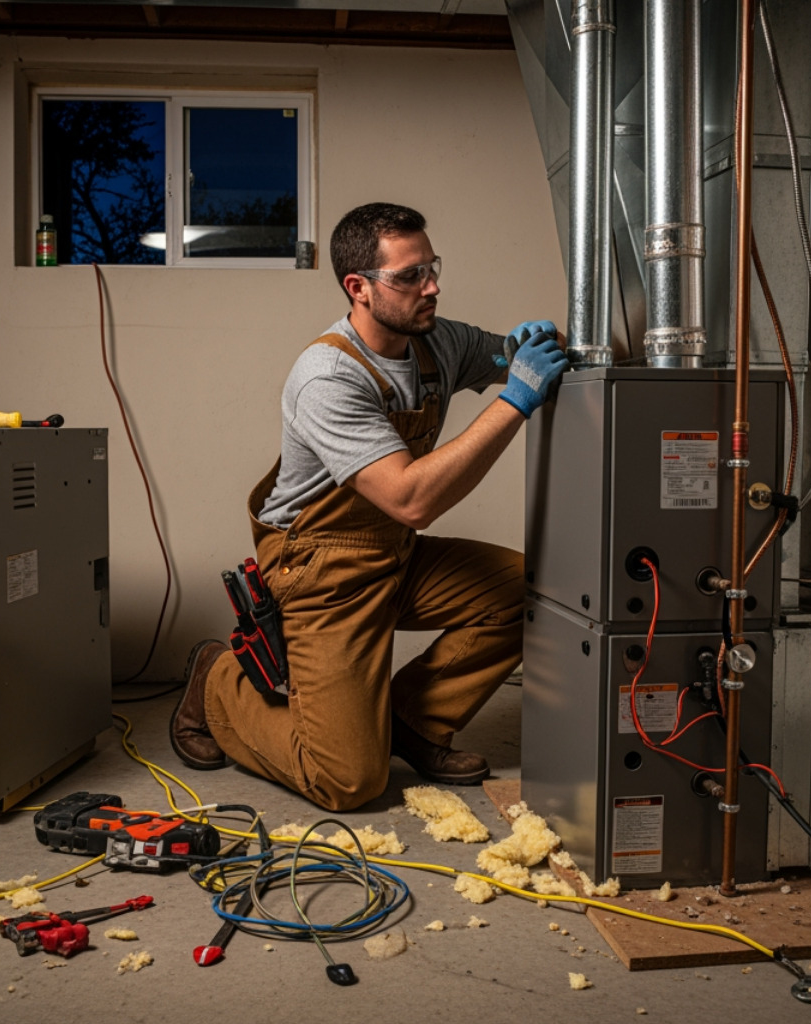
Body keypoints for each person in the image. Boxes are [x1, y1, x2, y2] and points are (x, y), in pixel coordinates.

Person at [170, 202, 569, 811]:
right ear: (358, 287)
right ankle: (219, 681)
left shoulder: (437, 341)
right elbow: (411, 499)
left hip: (394, 553)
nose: (431, 287)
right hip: (322, 570)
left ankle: (414, 722)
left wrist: (540, 343)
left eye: (431, 267)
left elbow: (516, 357)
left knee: (532, 591)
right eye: (409, 276)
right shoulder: (328, 377)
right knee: (347, 782)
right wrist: (515, 400)